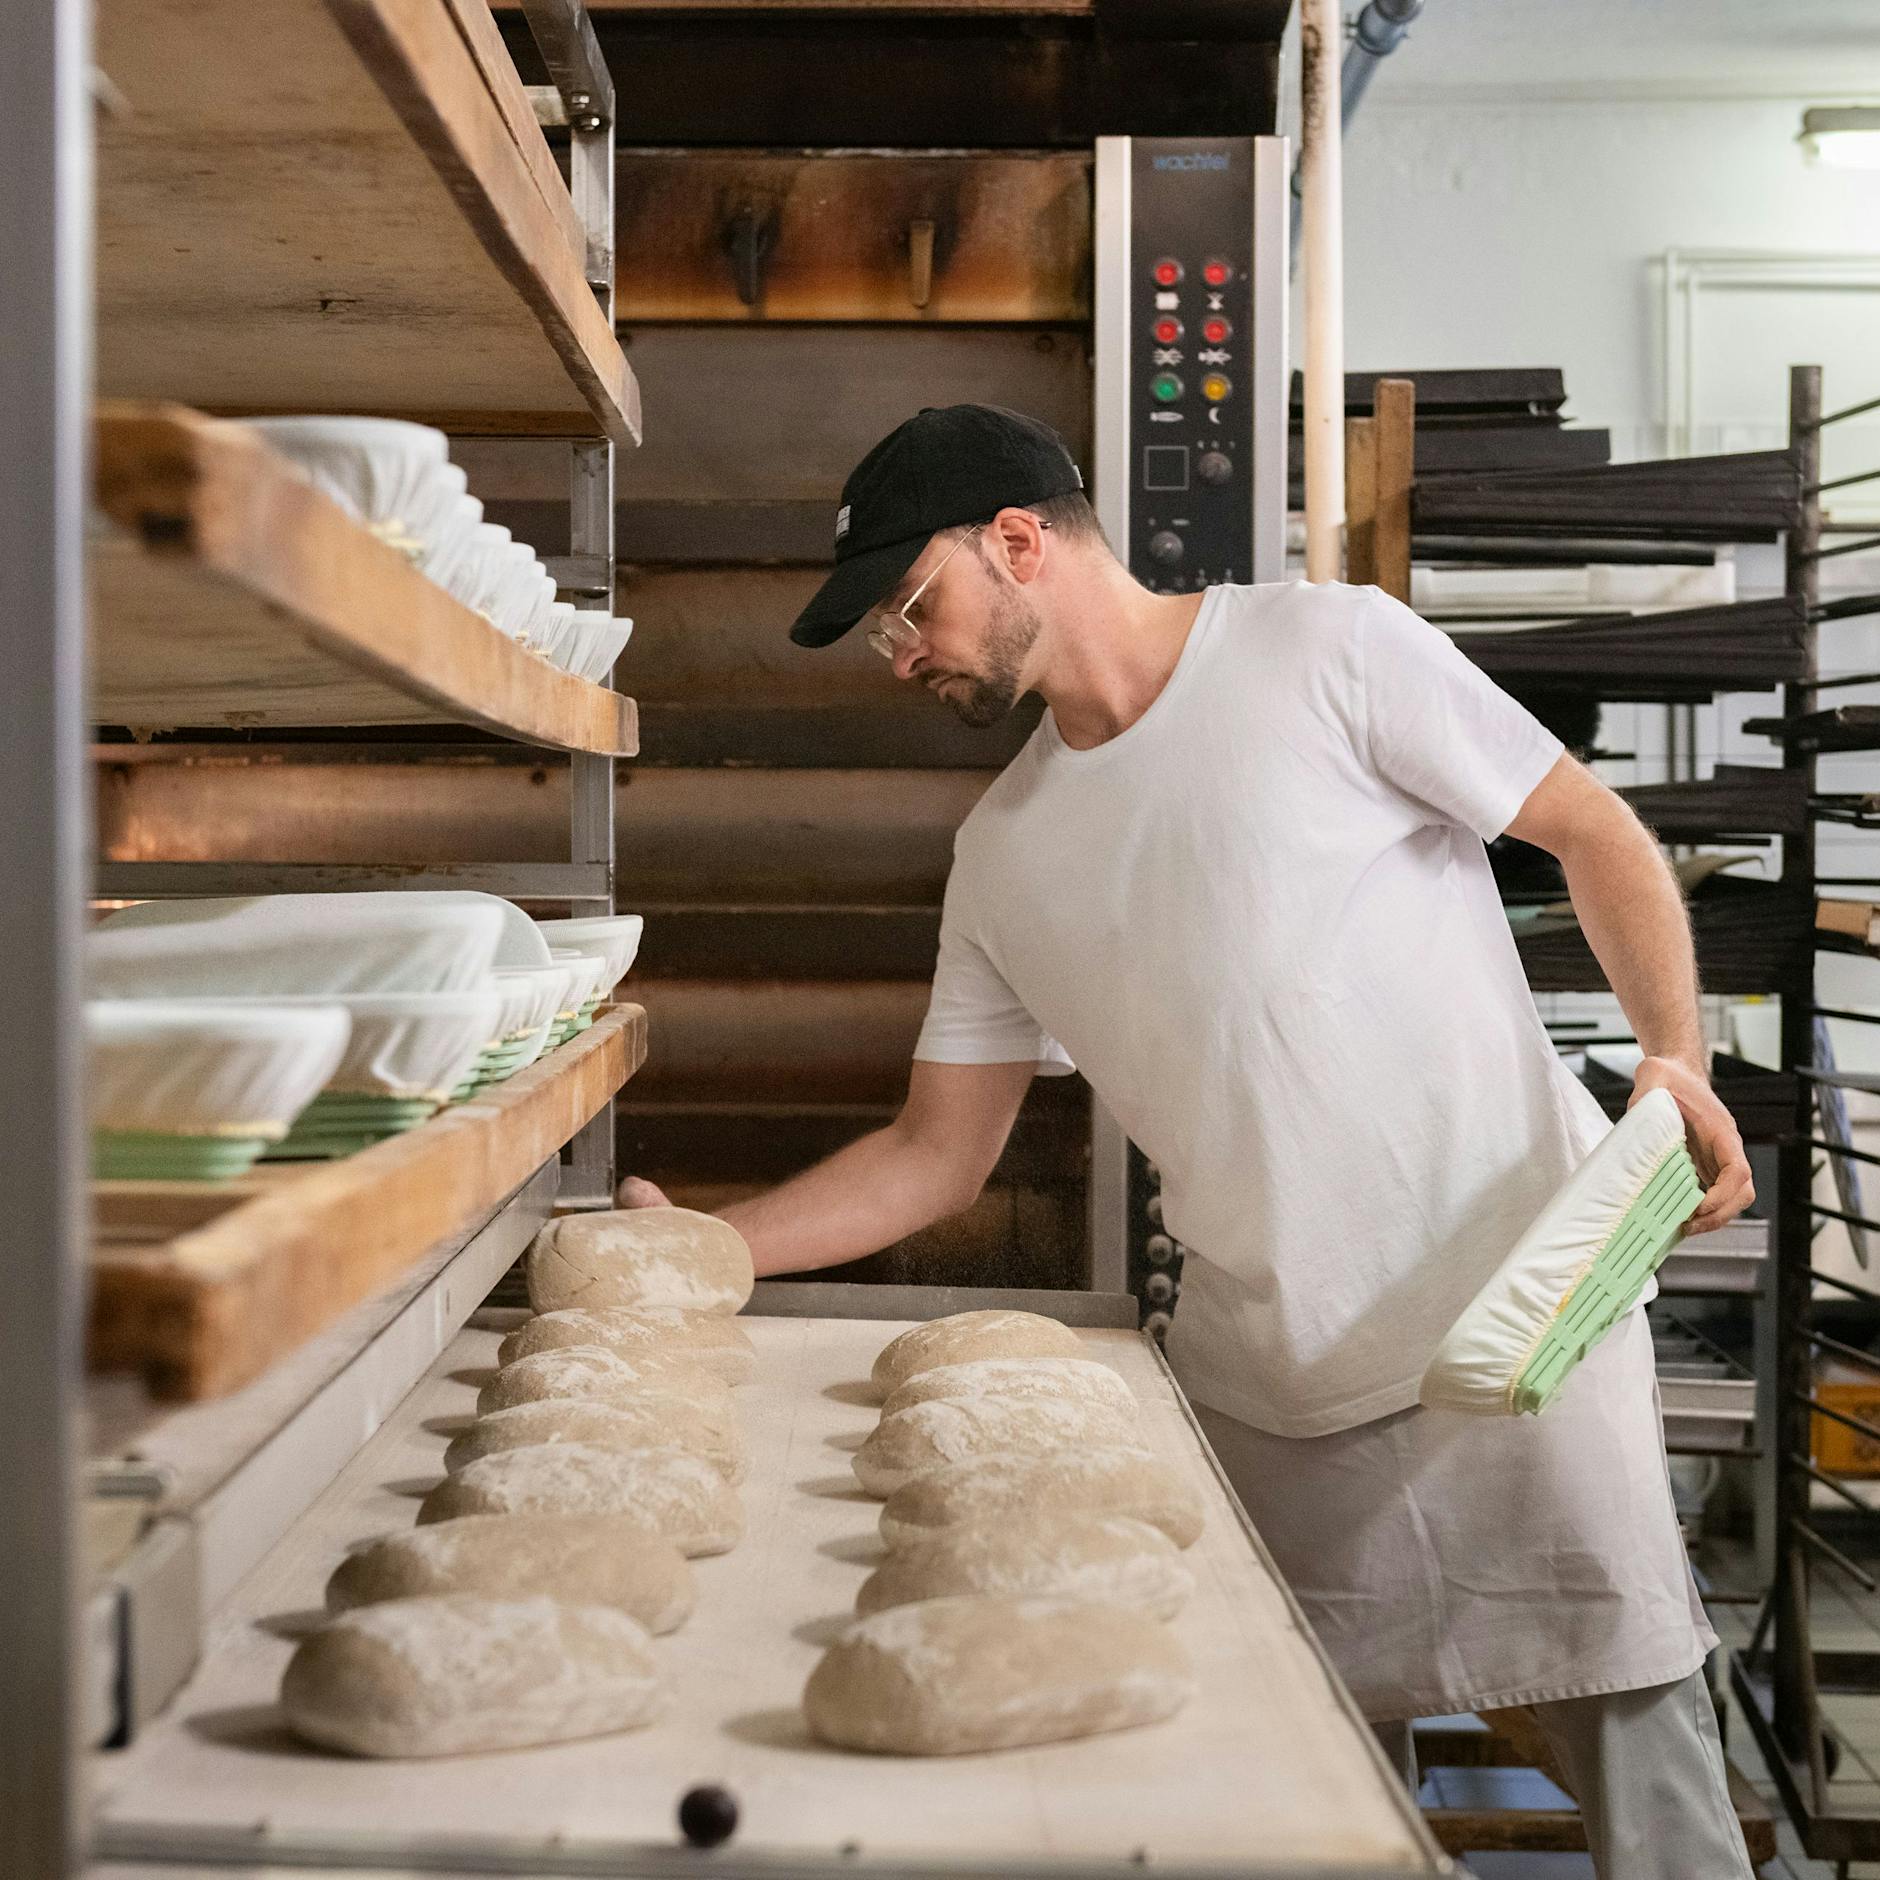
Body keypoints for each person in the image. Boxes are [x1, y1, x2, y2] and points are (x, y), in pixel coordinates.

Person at [618, 404, 1758, 1878]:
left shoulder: (1326, 650)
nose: (903, 656)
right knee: (1301, 1813)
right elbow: (933, 1156)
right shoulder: (1006, 854)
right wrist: (702, 1247)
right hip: (1266, 1395)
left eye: (913, 608)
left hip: (1516, 1334)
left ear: (1018, 541)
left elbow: (1594, 833)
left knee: (1647, 1772)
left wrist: (1674, 1055)